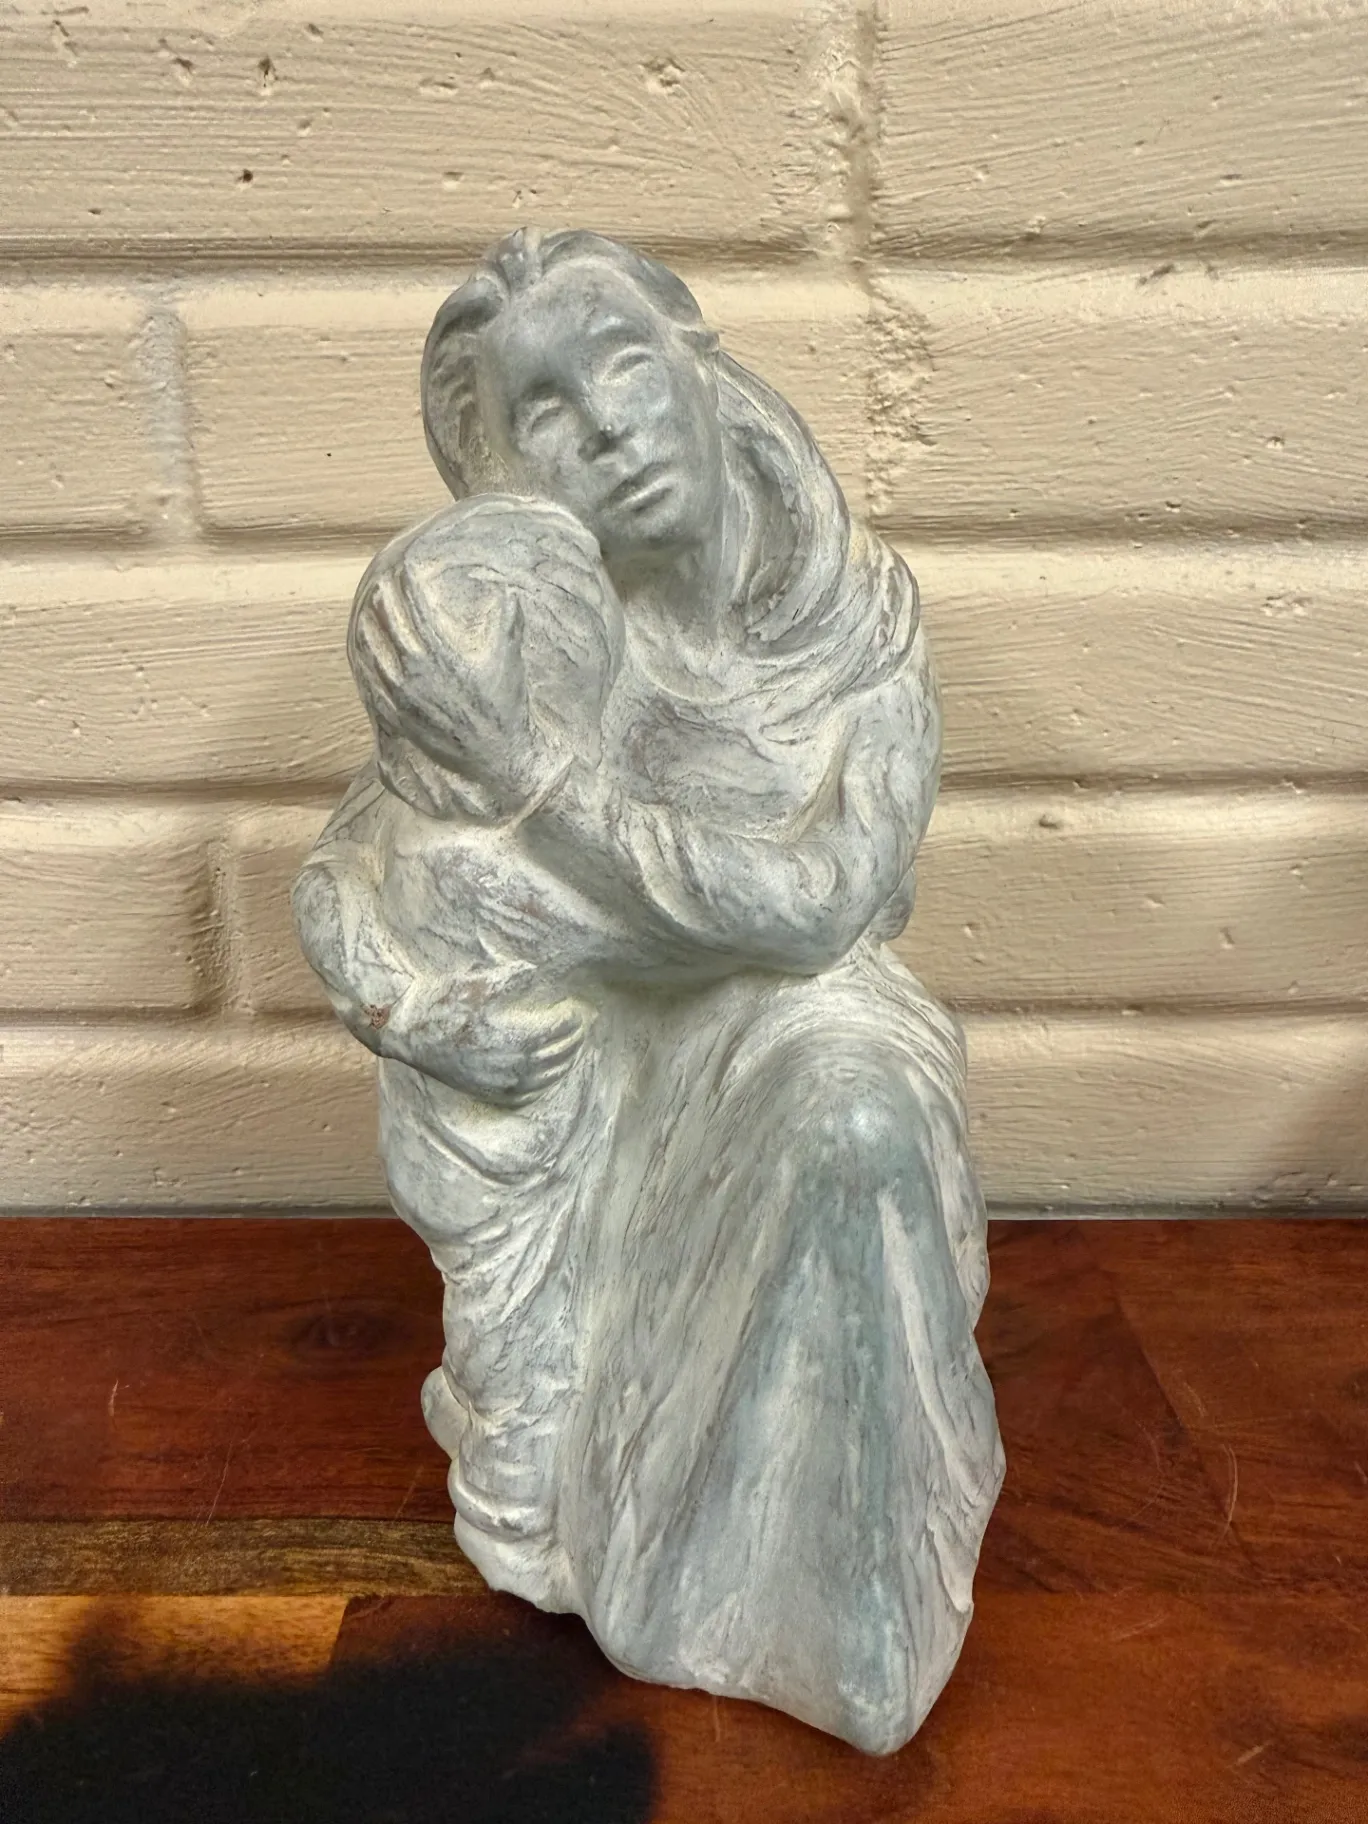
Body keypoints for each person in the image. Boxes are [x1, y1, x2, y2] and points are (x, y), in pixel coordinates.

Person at [296, 228, 1003, 1755]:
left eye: (621, 362)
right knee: (538, 1373)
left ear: (697, 357)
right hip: (588, 1083)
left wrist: (541, 793)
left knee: (859, 1120)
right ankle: (647, 1551)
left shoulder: (856, 628)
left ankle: (852, 1612)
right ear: (508, 477)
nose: (607, 428)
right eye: (546, 413)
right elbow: (351, 875)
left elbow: (822, 906)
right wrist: (424, 1016)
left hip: (792, 1014)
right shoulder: (517, 631)